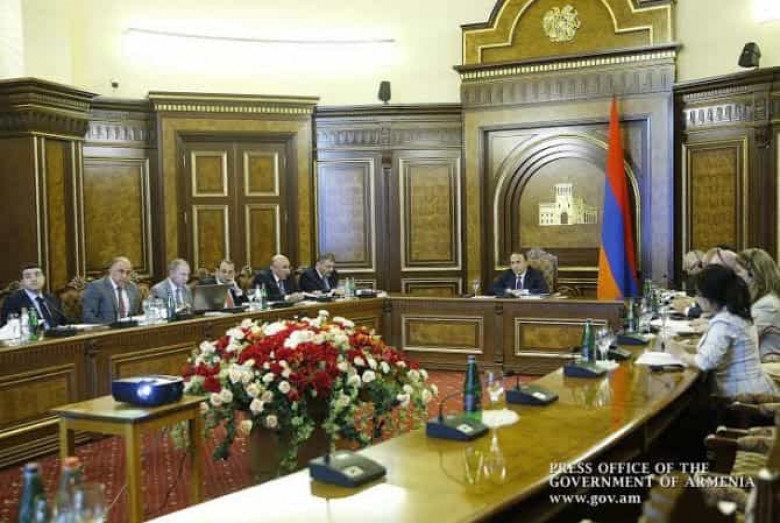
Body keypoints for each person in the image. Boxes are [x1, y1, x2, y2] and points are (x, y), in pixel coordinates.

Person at [667, 265, 778, 397]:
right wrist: (683, 348)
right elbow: (714, 350)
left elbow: (705, 362)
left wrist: (681, 354)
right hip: (753, 387)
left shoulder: (724, 322)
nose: (696, 299)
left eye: (698, 294)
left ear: (710, 297)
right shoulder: (734, 314)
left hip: (742, 397)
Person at [736, 248, 780, 362]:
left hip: (767, 366)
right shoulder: (759, 300)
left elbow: (741, 335)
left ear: (753, 274)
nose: (735, 277)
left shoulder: (768, 304)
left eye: (738, 271)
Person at [0, 263, 70, 329]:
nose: (34, 279)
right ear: (22, 282)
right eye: (28, 277)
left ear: (44, 278)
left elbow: (64, 322)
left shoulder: (52, 298)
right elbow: (7, 327)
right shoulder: (12, 301)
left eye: (37, 275)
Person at [82, 257, 141, 323]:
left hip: (129, 328)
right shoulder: (96, 287)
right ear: (110, 270)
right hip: (106, 328)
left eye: (128, 273)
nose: (124, 276)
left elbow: (136, 314)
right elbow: (88, 317)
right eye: (121, 271)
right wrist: (109, 326)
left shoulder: (132, 287)